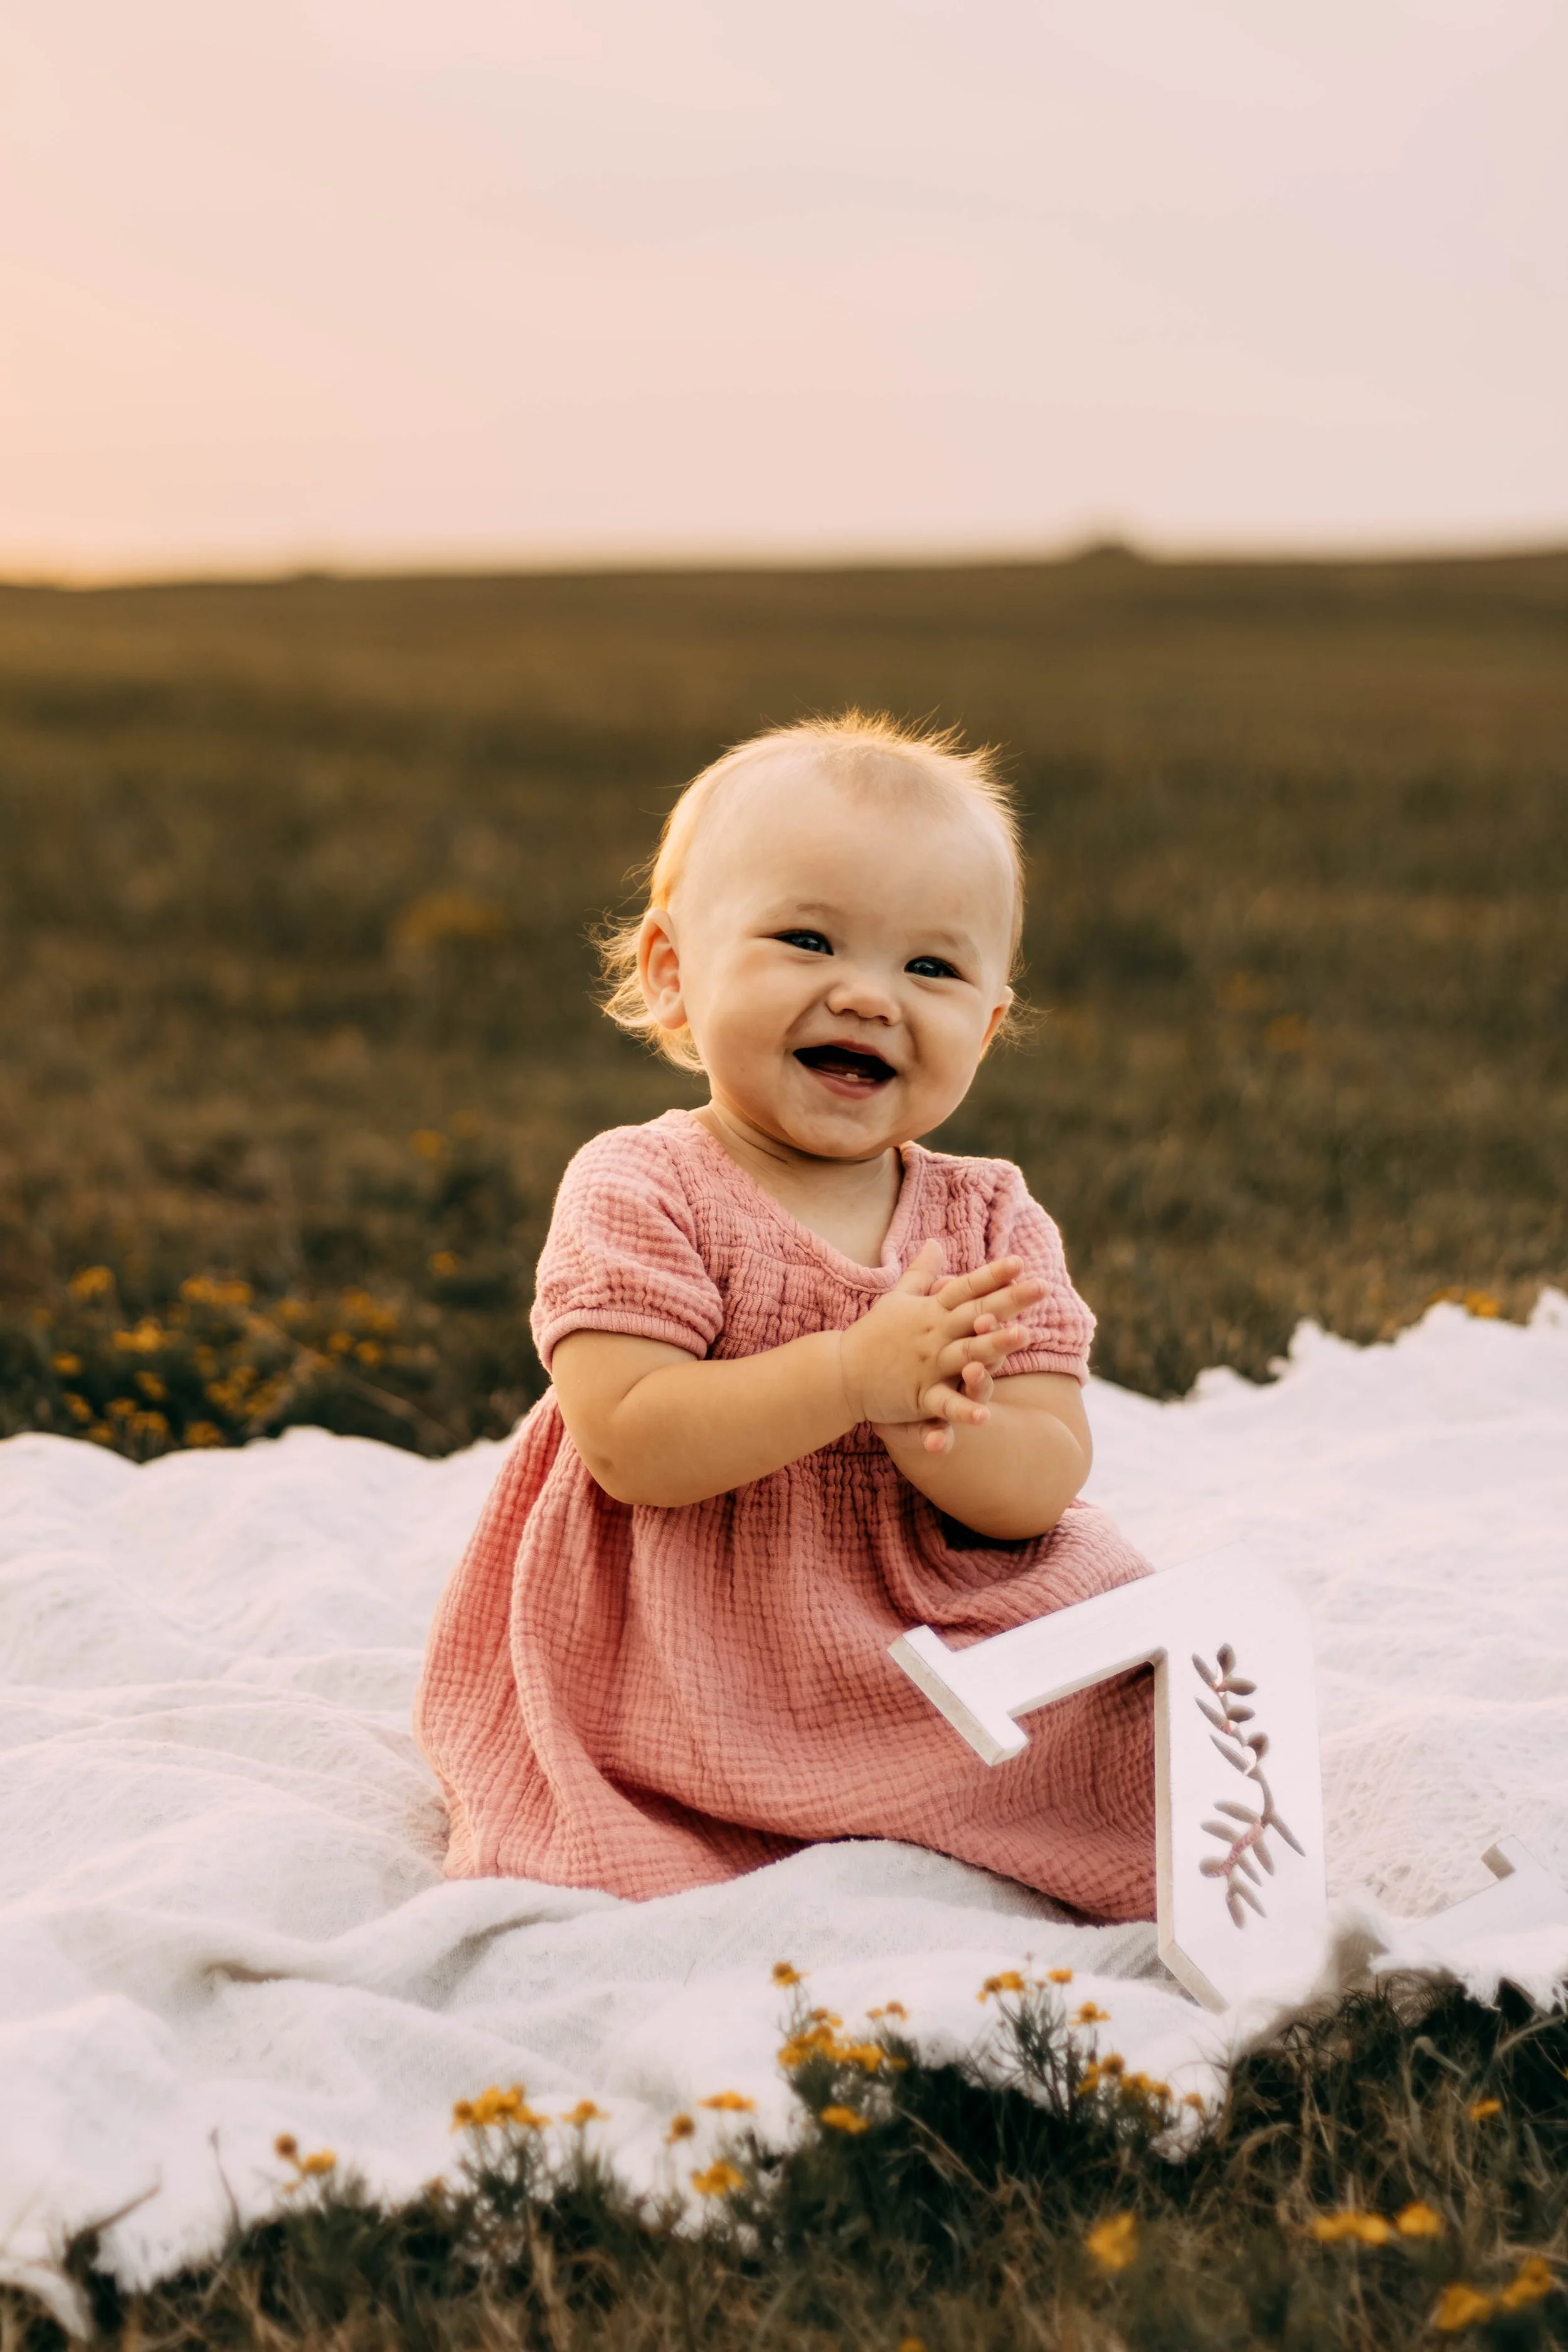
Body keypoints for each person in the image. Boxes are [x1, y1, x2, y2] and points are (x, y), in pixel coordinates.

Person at [415, 713, 1155, 1917]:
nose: (867, 995)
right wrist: (851, 1377)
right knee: (613, 1841)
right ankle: (726, 1814)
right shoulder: (642, 1182)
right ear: (671, 972)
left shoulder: (990, 1217)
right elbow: (631, 1439)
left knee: (1137, 1706)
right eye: (807, 939)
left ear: (991, 1022)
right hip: (687, 1649)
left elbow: (1044, 1475)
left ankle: (971, 1813)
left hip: (918, 1620)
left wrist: (928, 1420)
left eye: (933, 967)